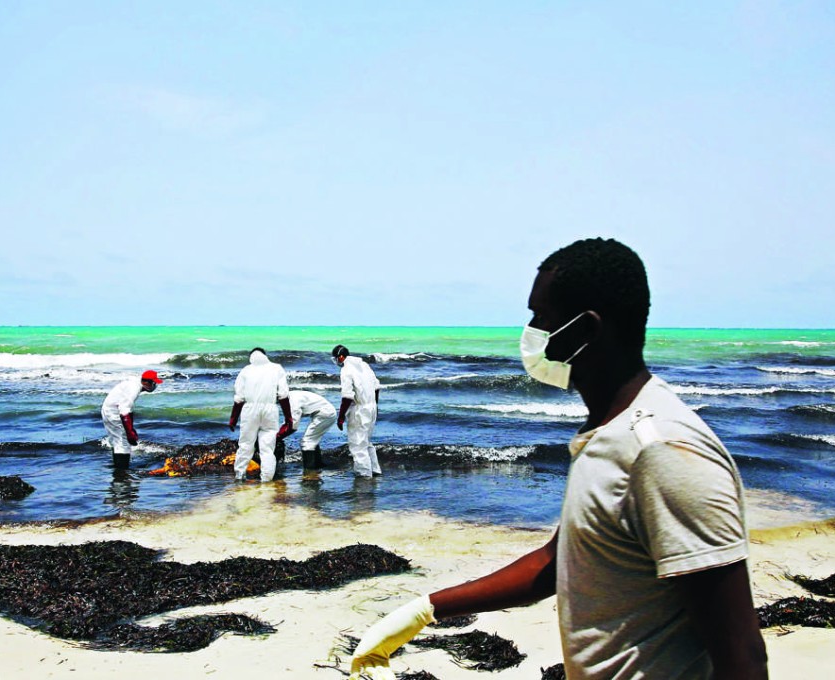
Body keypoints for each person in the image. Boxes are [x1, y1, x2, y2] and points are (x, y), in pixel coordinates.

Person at [349, 239, 768, 680]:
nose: (530, 331)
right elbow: (558, 561)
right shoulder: (608, 435)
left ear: (586, 330)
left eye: (541, 318)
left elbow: (742, 654)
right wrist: (426, 610)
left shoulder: (660, 450)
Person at [228, 348, 293, 482]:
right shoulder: (277, 369)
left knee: (246, 445)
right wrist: (288, 417)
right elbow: (283, 395)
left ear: (251, 357)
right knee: (268, 448)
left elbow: (239, 398)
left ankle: (239, 476)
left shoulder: (246, 370)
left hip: (249, 410)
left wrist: (233, 418)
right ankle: (266, 480)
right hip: (270, 410)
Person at [332, 345, 382, 477]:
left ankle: (364, 477)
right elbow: (376, 387)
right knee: (366, 442)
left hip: (359, 410)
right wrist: (375, 405)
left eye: (336, 359)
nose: (336, 361)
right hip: (371, 408)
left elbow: (347, 397)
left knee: (358, 446)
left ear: (341, 357)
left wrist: (341, 416)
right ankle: (375, 471)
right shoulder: (364, 365)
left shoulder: (346, 370)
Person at [101, 369, 163, 469]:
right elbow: (124, 412)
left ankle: (118, 468)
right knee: (123, 443)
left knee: (117, 441)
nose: (155, 385)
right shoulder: (134, 389)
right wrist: (130, 433)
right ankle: (122, 473)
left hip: (108, 408)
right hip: (113, 412)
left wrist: (131, 430)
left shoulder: (135, 383)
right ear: (147, 382)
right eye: (154, 383)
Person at [277, 389, 337, 469]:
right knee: (312, 439)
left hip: (326, 414)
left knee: (307, 441)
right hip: (325, 412)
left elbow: (292, 426)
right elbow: (288, 421)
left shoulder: (292, 402)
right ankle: (318, 465)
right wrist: (278, 434)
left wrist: (277, 437)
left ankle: (310, 472)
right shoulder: (288, 397)